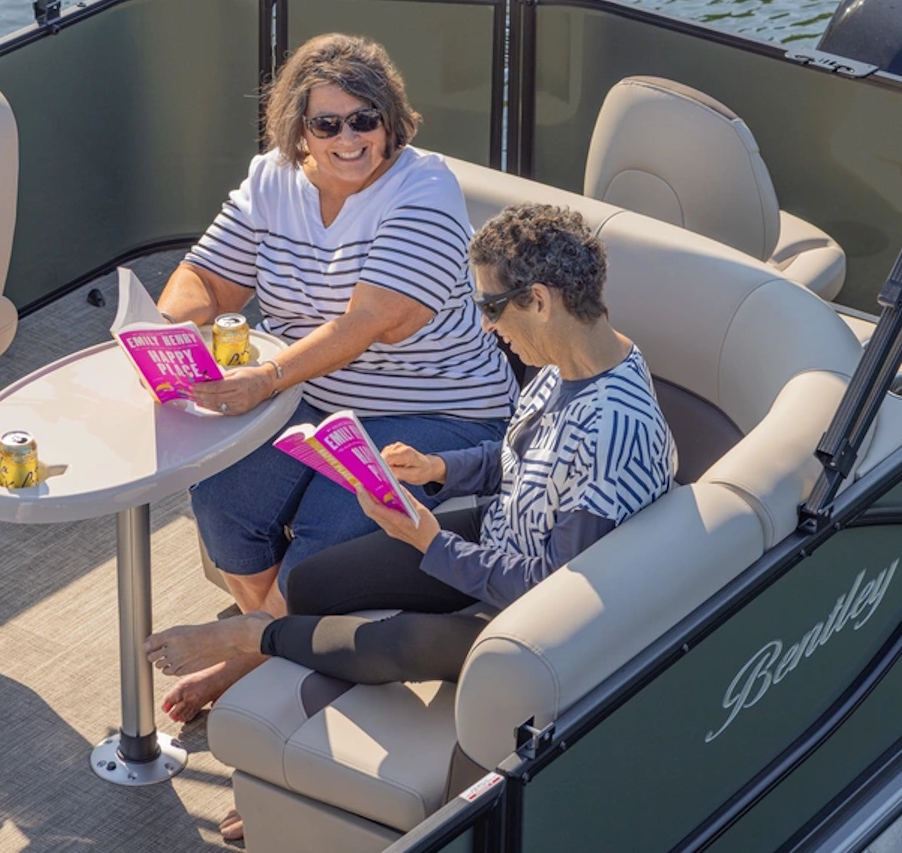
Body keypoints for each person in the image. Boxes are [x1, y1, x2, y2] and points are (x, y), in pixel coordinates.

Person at [147, 201, 676, 694]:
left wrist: (431, 544)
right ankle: (274, 657)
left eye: (490, 306)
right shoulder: (566, 364)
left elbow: (556, 588)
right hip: (504, 537)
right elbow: (521, 460)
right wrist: (437, 467)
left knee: (400, 641)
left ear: (538, 301)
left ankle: (253, 638)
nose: (486, 325)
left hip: (544, 618)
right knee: (313, 582)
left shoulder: (612, 428)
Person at [154, 33, 516, 723]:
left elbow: (371, 321)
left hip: (443, 412)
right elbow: (207, 278)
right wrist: (166, 331)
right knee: (223, 492)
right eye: (327, 124)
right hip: (309, 396)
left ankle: (251, 663)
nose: (349, 139)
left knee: (329, 524)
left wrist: (264, 378)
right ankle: (267, 645)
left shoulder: (425, 189)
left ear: (391, 120)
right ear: (300, 129)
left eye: (364, 120)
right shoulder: (271, 181)